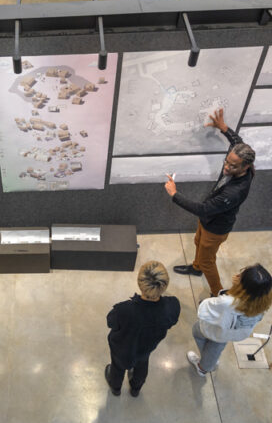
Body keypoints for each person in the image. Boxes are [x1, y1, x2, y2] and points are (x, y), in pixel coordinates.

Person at [164, 108, 255, 297]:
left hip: (216, 227)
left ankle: (217, 294)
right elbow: (237, 142)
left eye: (233, 166)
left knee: (208, 261)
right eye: (227, 161)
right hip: (209, 221)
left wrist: (175, 194)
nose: (227, 167)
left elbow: (203, 209)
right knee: (198, 241)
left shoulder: (235, 192)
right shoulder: (239, 156)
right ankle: (196, 268)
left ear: (246, 166)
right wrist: (224, 128)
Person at [105, 261, 180, 397]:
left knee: (117, 367)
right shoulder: (172, 307)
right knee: (142, 365)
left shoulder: (124, 310)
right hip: (147, 347)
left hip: (122, 348)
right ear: (164, 285)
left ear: (140, 284)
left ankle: (116, 388)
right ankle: (136, 389)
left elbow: (111, 323)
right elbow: (171, 322)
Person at [187, 263, 272, 376]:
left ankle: (203, 367)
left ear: (243, 287)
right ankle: (210, 360)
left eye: (242, 273)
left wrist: (205, 302)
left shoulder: (228, 302)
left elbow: (204, 310)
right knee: (217, 346)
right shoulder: (262, 303)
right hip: (234, 333)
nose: (239, 274)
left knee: (198, 332)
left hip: (216, 329)